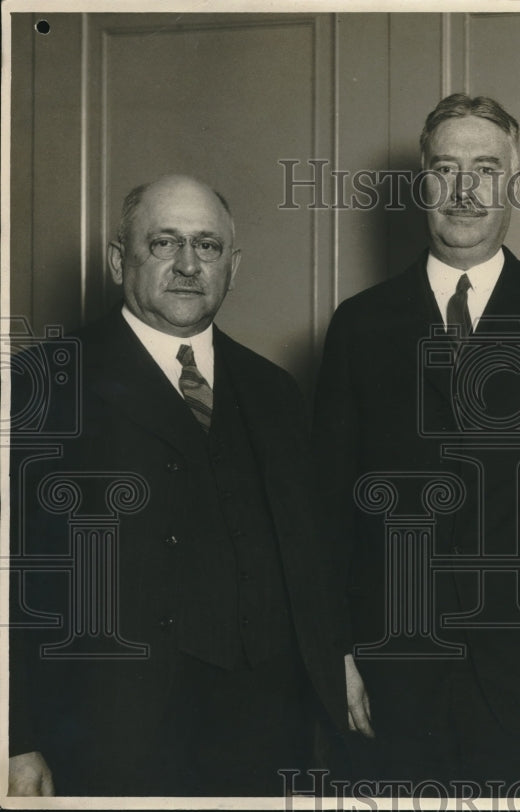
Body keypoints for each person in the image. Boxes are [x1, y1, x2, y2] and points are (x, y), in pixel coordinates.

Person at [313, 94, 520, 794]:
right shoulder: (360, 326)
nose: (465, 191)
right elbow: (323, 511)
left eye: (485, 170)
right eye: (446, 169)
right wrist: (335, 654)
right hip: (393, 667)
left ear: (512, 184)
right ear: (423, 185)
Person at [8, 175, 349, 796]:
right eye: (165, 243)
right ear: (119, 261)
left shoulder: (274, 391)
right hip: (109, 735)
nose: (190, 264)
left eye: (208, 246)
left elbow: (312, 562)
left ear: (233, 266)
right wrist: (15, 738)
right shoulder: (47, 382)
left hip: (263, 736)